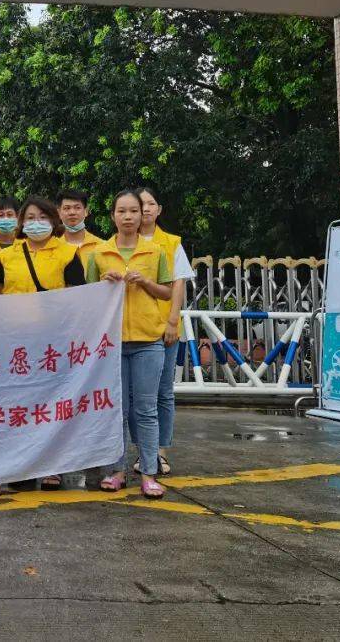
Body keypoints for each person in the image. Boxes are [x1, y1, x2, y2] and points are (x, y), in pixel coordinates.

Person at [0, 197, 85, 492]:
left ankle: (52, 466)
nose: (36, 222)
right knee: (19, 404)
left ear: (54, 220)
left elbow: (77, 299)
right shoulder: (7, 257)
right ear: (22, 222)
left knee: (51, 404)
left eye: (42, 217)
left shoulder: (69, 254)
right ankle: (20, 466)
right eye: (30, 217)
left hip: (52, 344)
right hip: (15, 343)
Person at [86, 190, 172, 499]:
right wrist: (103, 283)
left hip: (148, 340)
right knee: (116, 411)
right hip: (112, 343)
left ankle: (148, 474)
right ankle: (117, 470)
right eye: (121, 211)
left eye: (133, 211)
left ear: (142, 215)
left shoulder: (155, 252)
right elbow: (88, 297)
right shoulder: (99, 253)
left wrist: (146, 283)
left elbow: (167, 293)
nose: (128, 217)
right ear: (112, 216)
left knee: (146, 410)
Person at [134, 187, 194, 476]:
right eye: (140, 204)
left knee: (162, 394)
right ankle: (141, 451)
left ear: (159, 209)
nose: (145, 209)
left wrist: (173, 322)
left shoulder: (171, 243)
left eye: (150, 204)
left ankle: (160, 450)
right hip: (134, 328)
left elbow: (178, 284)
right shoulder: (124, 241)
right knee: (136, 395)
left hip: (164, 328)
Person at [57, 189, 101, 267]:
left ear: (86, 211)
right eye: (67, 208)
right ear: (59, 213)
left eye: (77, 208)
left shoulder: (102, 246)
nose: (72, 212)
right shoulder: (52, 247)